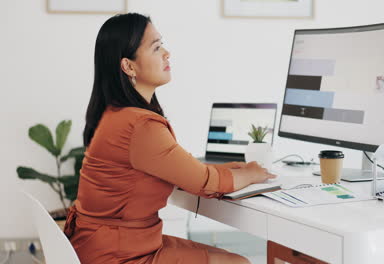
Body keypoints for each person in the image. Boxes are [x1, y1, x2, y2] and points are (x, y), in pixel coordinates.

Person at [63, 13, 276, 264]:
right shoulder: (139, 125)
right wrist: (253, 172)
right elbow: (205, 182)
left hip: (107, 244)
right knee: (238, 263)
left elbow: (183, 169)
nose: (167, 53)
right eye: (156, 47)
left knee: (232, 258)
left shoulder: (116, 114)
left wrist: (230, 169)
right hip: (119, 255)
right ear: (128, 66)